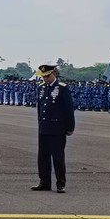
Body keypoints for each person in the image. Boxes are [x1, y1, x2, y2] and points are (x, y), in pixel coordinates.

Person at [31, 64, 75, 194]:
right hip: (44, 128)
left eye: (47, 76)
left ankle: (60, 183)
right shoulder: (41, 88)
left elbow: (68, 109)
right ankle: (44, 182)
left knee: (58, 157)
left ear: (53, 74)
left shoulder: (62, 88)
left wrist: (70, 127)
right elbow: (40, 109)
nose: (45, 79)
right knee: (43, 157)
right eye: (43, 77)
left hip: (57, 129)